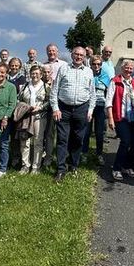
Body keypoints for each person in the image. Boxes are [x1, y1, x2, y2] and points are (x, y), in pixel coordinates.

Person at [50, 46, 96, 182]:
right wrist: (55, 108)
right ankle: (60, 169)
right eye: (76, 54)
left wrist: (90, 110)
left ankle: (74, 165)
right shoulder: (63, 68)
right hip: (63, 108)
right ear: (72, 55)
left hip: (82, 109)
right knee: (62, 139)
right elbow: (54, 90)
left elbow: (92, 93)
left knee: (78, 139)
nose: (79, 57)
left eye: (82, 55)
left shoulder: (88, 71)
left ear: (84, 57)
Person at [106, 59, 134, 181]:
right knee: (125, 142)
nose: (129, 70)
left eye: (131, 68)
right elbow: (109, 101)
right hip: (121, 117)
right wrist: (110, 118)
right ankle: (116, 168)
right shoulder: (115, 81)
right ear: (122, 68)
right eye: (126, 67)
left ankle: (127, 166)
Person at [18, 65, 50, 174]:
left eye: (37, 73)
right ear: (30, 74)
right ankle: (25, 165)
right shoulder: (25, 86)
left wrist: (40, 107)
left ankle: (36, 166)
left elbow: (50, 101)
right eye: (33, 73)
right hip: (26, 117)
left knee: (38, 141)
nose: (34, 75)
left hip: (39, 117)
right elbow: (18, 99)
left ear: (41, 75)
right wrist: (25, 107)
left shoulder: (46, 86)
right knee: (25, 141)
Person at [81, 55, 110, 165]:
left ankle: (99, 154)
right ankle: (84, 153)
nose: (96, 66)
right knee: (86, 132)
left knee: (99, 133)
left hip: (100, 106)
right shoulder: (86, 74)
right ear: (91, 64)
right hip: (88, 106)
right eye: (94, 64)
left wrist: (108, 108)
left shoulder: (105, 76)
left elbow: (108, 92)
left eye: (99, 64)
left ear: (101, 65)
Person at [41, 64, 55, 168]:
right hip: (39, 112)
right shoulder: (39, 82)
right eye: (44, 72)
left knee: (49, 135)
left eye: (48, 72)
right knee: (39, 135)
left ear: (51, 73)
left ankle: (48, 158)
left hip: (51, 112)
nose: (46, 74)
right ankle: (39, 155)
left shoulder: (55, 83)